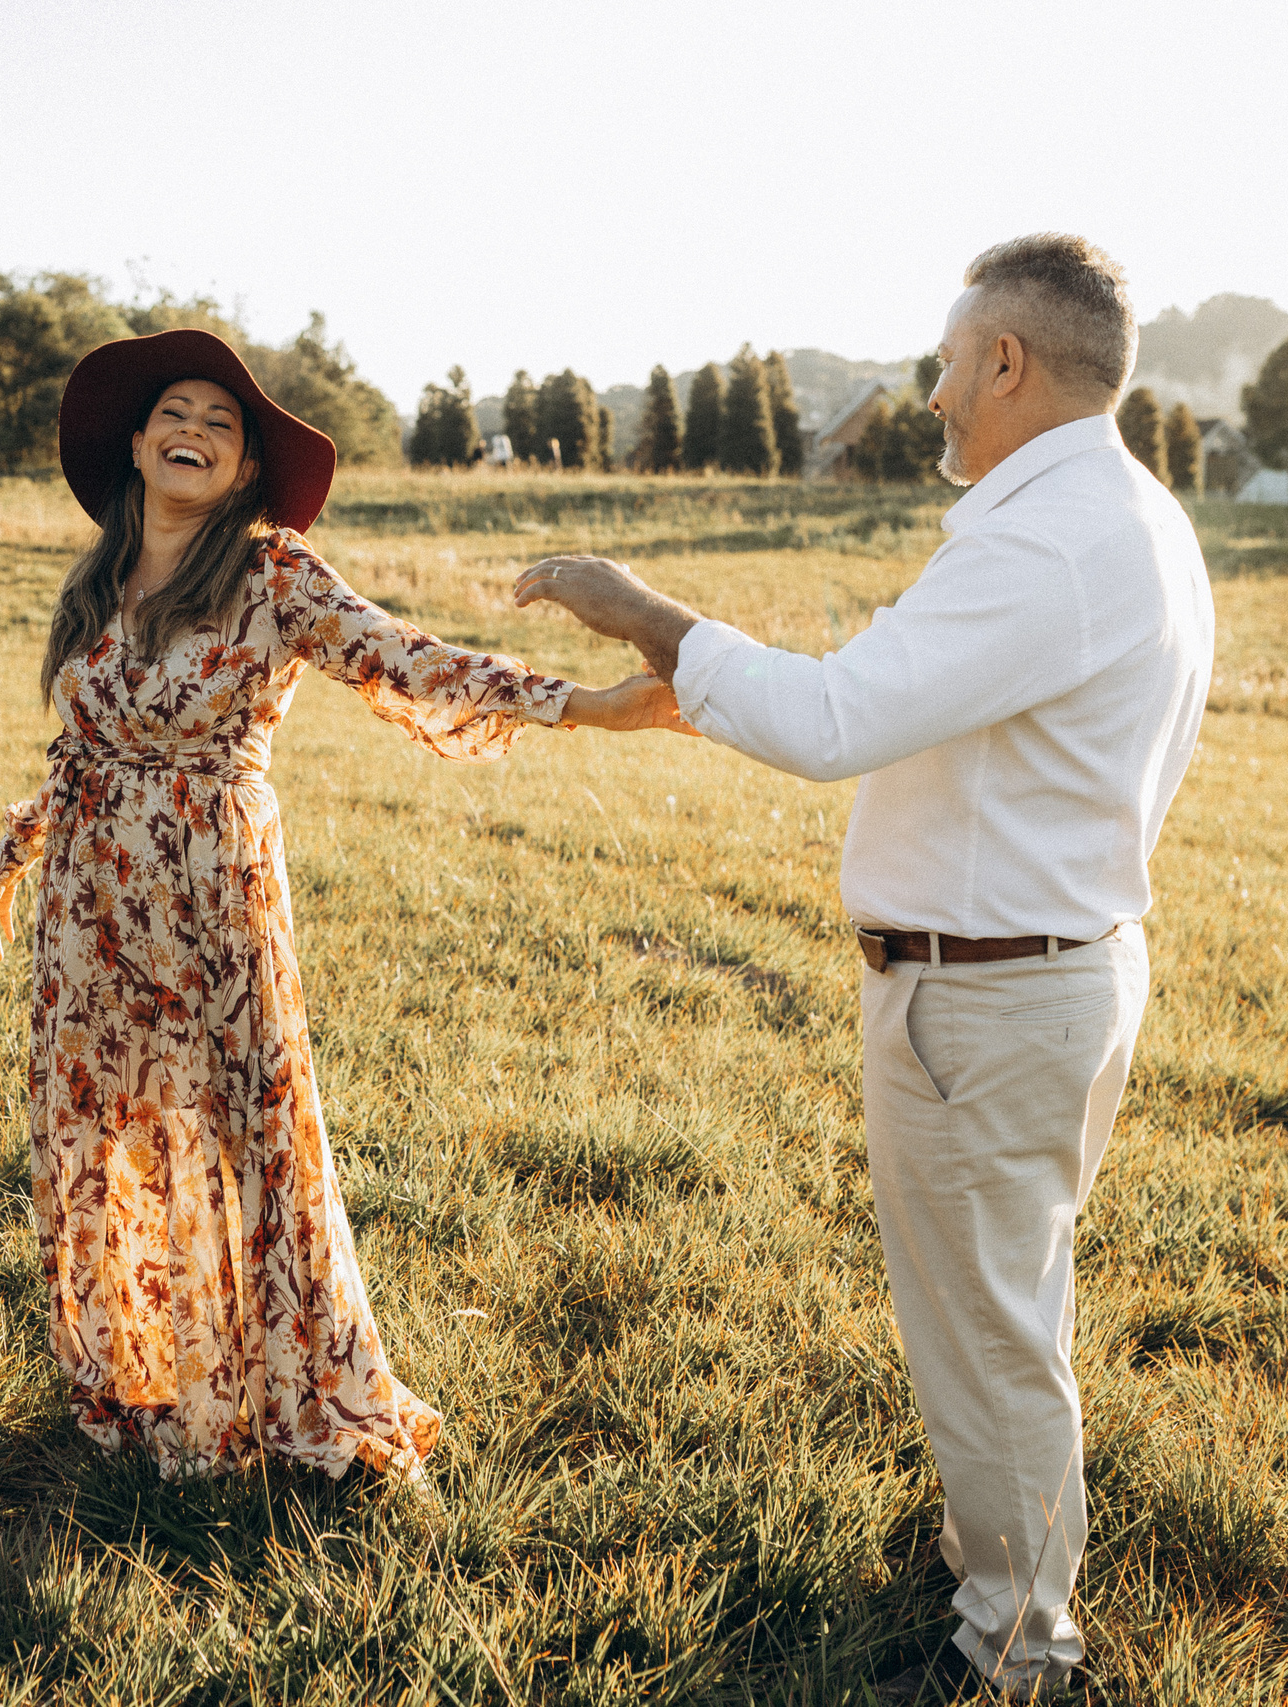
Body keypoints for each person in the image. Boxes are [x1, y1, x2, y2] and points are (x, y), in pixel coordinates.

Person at [514, 235, 1214, 1699]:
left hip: (984, 994)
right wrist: (705, 692)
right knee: (1009, 1300)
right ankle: (999, 1557)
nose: (935, 391)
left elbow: (837, 720)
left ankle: (1015, 1647)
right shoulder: (1120, 513)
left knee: (988, 1327)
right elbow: (901, 703)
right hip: (1048, 969)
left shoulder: (1046, 538)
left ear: (1007, 360)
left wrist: (648, 611)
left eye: (950, 362)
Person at [0, 328, 679, 1482]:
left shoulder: (272, 576)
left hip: (211, 898)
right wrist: (12, 853)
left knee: (241, 1132)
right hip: (88, 913)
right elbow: (83, 746)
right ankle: (143, 1375)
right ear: (135, 446)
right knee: (104, 1135)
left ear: (245, 468)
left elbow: (405, 657)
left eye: (221, 423)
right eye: (173, 414)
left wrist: (584, 703)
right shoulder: (95, 585)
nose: (193, 432)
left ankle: (278, 1394)